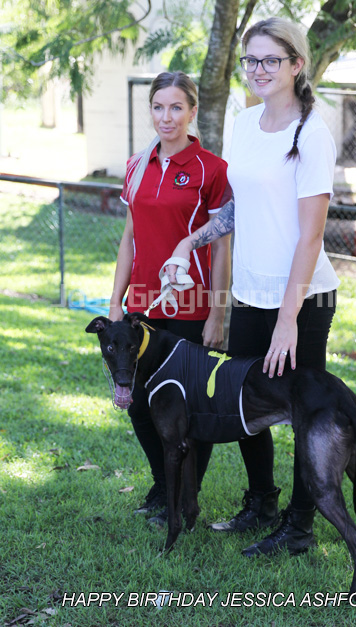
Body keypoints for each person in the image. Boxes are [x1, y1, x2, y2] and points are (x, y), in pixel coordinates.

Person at [167, 17, 340, 556]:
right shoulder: (243, 123)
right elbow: (239, 206)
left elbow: (311, 236)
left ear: (296, 64)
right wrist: (191, 240)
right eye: (251, 60)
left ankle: (299, 526)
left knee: (305, 412)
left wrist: (288, 320)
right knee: (244, 402)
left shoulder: (311, 133)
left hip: (303, 299)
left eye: (270, 59)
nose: (258, 69)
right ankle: (262, 501)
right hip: (249, 291)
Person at [108, 71, 232, 524]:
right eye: (159, 107)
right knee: (139, 403)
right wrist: (117, 301)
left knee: (188, 409)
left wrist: (217, 313)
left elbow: (222, 246)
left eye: (177, 107)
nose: (167, 117)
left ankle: (185, 497)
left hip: (192, 306)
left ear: (192, 111)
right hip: (143, 305)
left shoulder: (211, 169)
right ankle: (165, 484)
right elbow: (129, 237)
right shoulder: (135, 165)